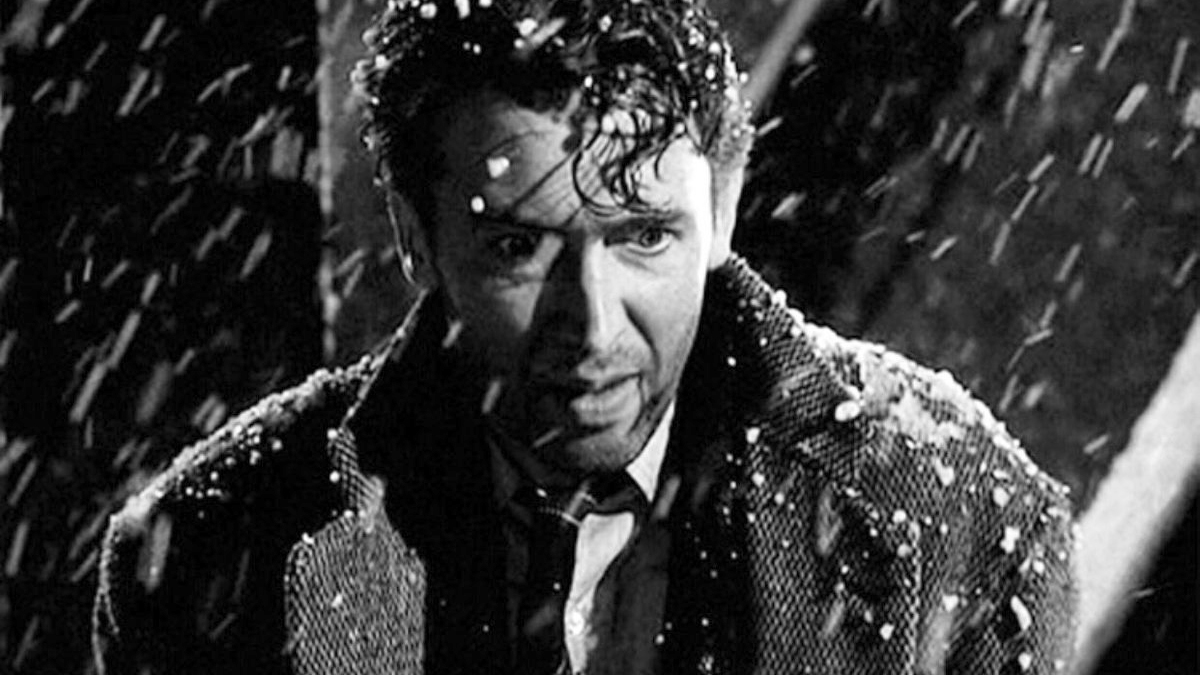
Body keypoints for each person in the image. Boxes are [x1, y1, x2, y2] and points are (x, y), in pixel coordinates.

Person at [92, 1, 1077, 673]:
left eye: (643, 237)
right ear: (413, 236)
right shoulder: (205, 553)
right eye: (518, 247)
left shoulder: (965, 518)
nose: (594, 326)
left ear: (725, 208)